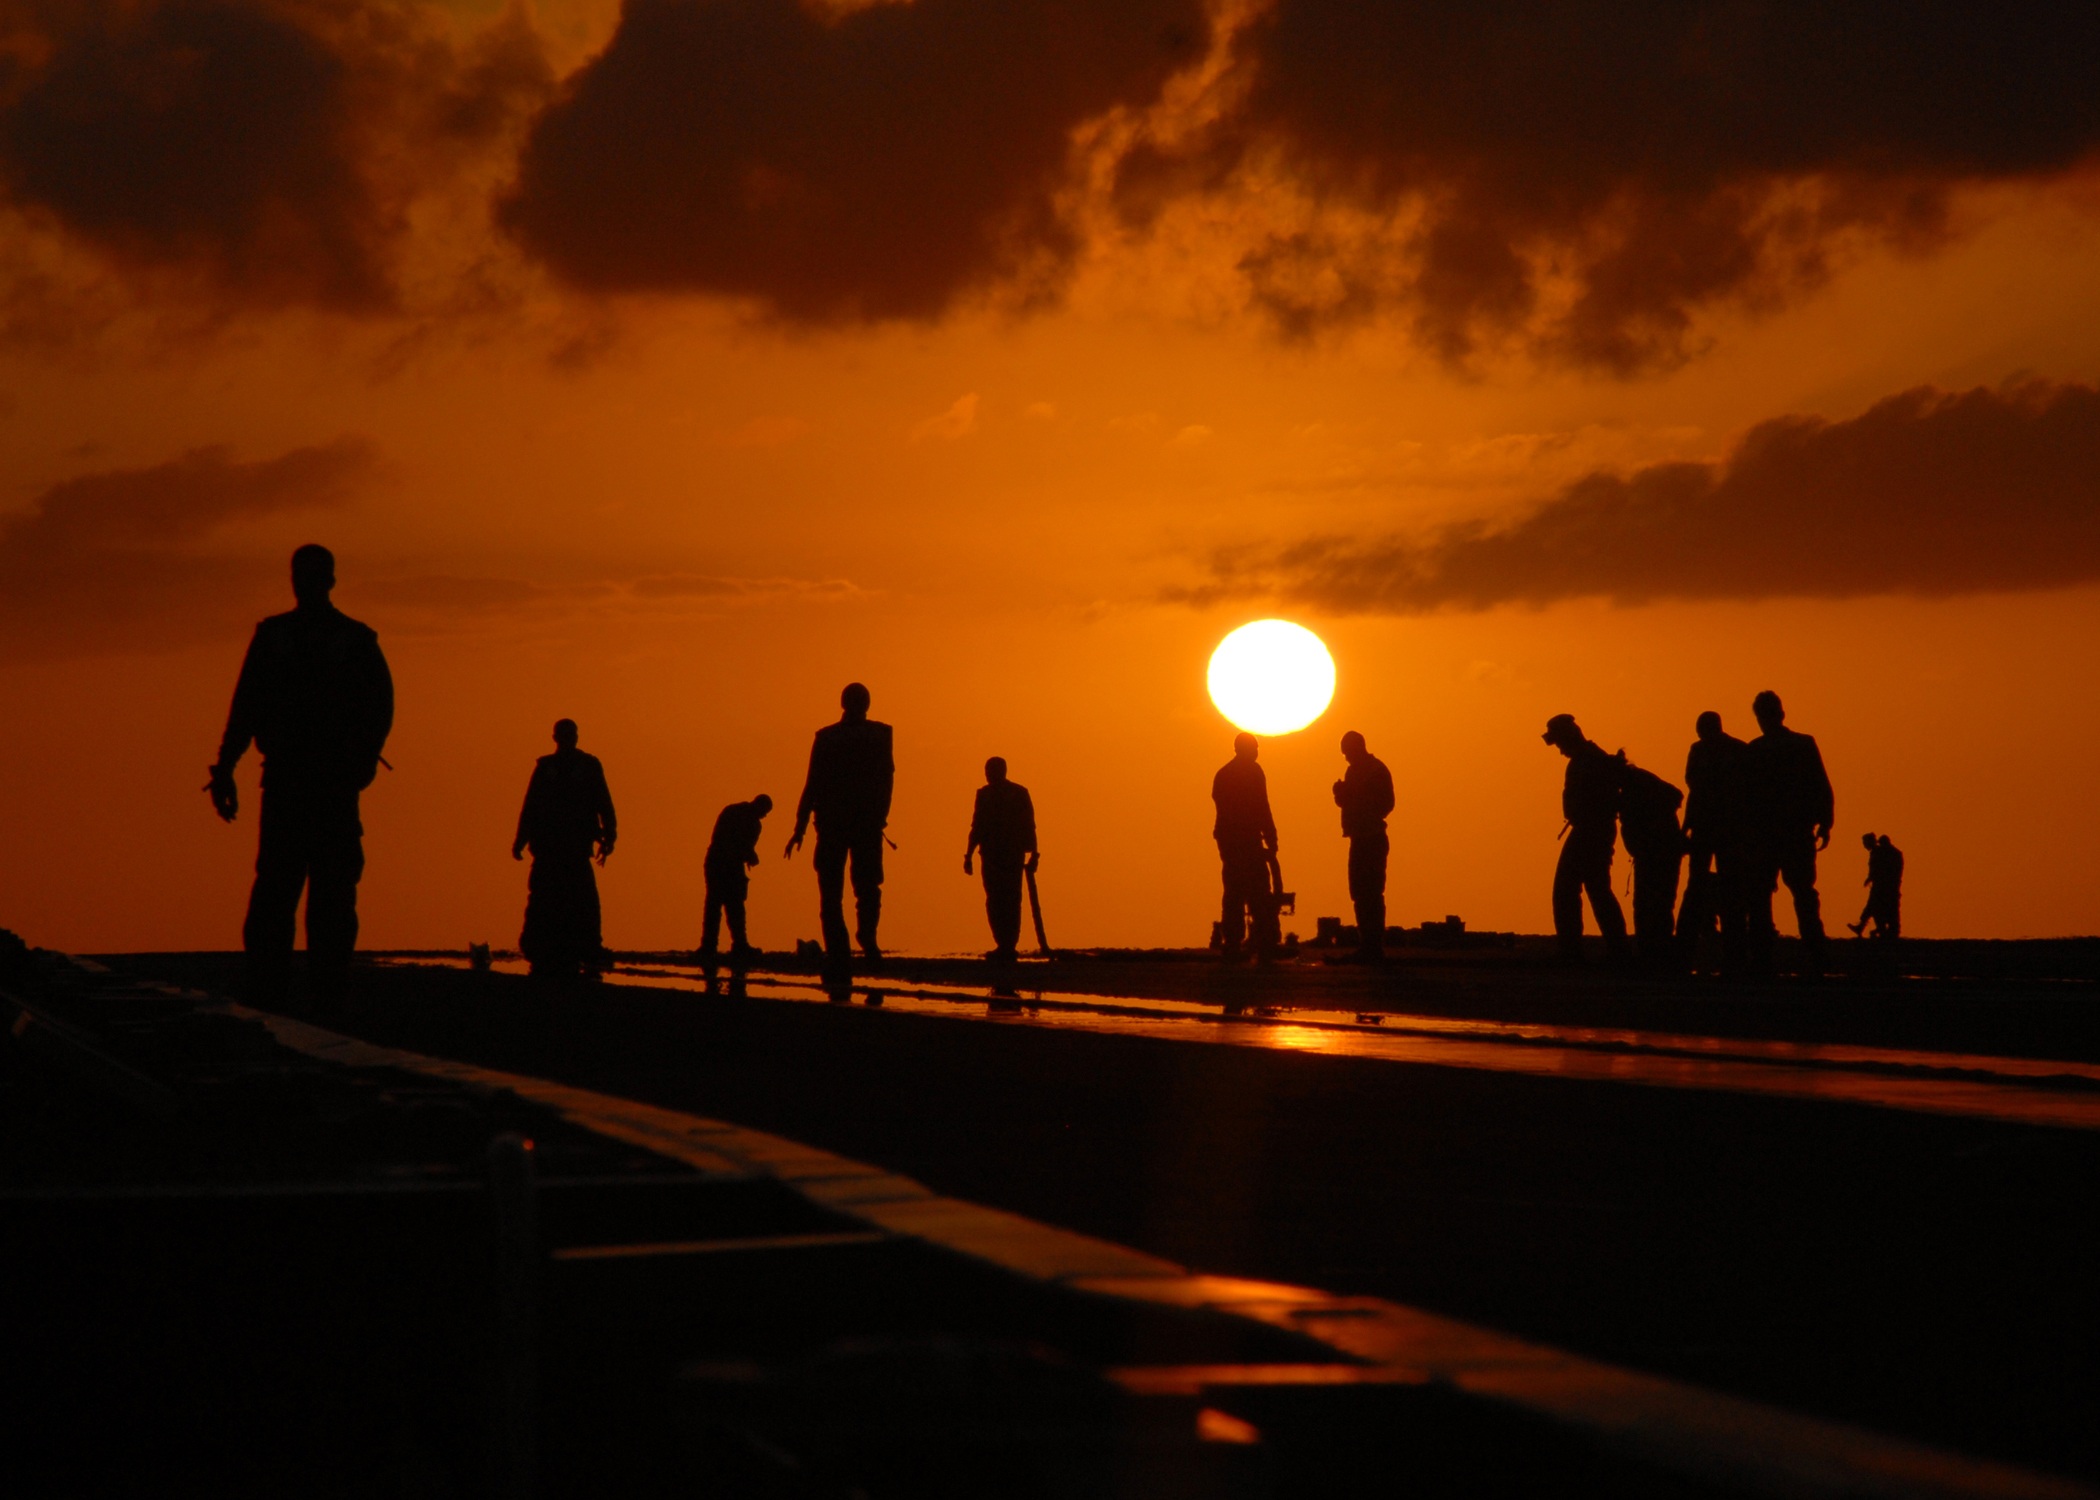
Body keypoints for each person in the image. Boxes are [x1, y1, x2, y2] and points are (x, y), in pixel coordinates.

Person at [207, 544, 393, 1010]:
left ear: (327, 580)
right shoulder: (284, 638)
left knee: (320, 893)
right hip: (297, 784)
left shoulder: (349, 640)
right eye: (302, 575)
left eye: (312, 576)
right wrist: (225, 767)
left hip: (323, 785)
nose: (306, 583)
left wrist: (361, 762)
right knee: (283, 891)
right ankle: (281, 992)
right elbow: (245, 707)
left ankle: (320, 992)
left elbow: (379, 708)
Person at [786, 683, 894, 987]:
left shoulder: (829, 738)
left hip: (839, 824)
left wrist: (800, 826)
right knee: (866, 887)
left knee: (836, 893)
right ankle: (865, 941)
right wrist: (879, 817)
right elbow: (887, 781)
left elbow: (812, 784)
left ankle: (842, 949)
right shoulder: (880, 735)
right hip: (860, 824)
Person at [512, 719, 617, 979]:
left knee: (583, 899)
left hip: (575, 847)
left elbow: (604, 803)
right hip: (549, 848)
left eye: (572, 734)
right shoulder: (546, 768)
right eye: (565, 734)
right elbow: (532, 806)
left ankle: (587, 945)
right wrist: (520, 839)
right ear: (556, 737)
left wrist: (609, 836)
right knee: (543, 899)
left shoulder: (589, 766)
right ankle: (540, 946)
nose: (569, 738)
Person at [1743, 690, 1834, 976]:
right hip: (1790, 831)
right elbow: (1820, 785)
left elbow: (1745, 796)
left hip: (1771, 833)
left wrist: (1824, 821)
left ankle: (1764, 956)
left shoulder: (1756, 750)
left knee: (1764, 895)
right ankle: (1814, 953)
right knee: (1800, 893)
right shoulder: (1801, 745)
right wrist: (1825, 821)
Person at [1541, 714, 1629, 963]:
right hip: (1593, 830)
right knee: (1596, 889)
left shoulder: (1588, 760)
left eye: (1559, 743)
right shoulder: (1591, 758)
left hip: (1590, 831)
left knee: (1568, 889)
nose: (1559, 750)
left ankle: (1573, 950)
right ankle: (1616, 948)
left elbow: (1591, 801)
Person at [1676, 711, 1750, 975]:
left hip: (1723, 829)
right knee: (1705, 887)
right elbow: (1694, 790)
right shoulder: (1704, 750)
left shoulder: (1734, 751)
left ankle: (1731, 955)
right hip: (1711, 828)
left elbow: (1699, 790)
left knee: (1725, 889)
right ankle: (1692, 951)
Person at [1212, 732, 1281, 961]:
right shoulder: (1252, 772)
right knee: (1257, 890)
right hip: (1243, 841)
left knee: (1234, 891)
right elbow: (1263, 805)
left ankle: (1234, 943)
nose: (1257, 751)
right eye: (1255, 747)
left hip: (1231, 841)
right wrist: (1271, 836)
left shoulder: (1223, 774)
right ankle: (1262, 942)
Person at [963, 758, 1039, 963]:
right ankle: (1002, 944)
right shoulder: (984, 795)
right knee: (995, 899)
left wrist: (1034, 854)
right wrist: (968, 855)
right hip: (990, 855)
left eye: (991, 771)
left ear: (1002, 771)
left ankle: (1009, 945)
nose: (988, 775)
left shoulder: (1018, 793)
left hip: (1011, 854)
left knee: (1011, 898)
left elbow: (1029, 824)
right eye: (987, 771)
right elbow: (977, 826)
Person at [1331, 730, 1395, 962]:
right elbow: (1350, 803)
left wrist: (1352, 795)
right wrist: (1341, 795)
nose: (1346, 758)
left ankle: (1373, 946)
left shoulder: (1376, 771)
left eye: (1348, 753)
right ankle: (1366, 944)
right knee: (1359, 892)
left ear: (1358, 748)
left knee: (1372, 892)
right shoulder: (1353, 771)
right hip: (1358, 838)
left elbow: (1386, 804)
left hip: (1372, 838)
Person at [1617, 756, 1686, 970]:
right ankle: (1655, 952)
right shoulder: (1636, 785)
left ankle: (1654, 954)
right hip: (1657, 851)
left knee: (1652, 903)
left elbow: (1675, 796)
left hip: (1657, 852)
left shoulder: (1637, 786)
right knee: (1657, 903)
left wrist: (1649, 833)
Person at [701, 794, 772, 977]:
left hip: (719, 862)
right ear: (759, 807)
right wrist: (749, 856)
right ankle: (730, 945)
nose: (764, 816)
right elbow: (737, 843)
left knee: (720, 906)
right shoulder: (749, 821)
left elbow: (729, 841)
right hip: (723, 863)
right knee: (727, 906)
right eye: (764, 812)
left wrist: (747, 854)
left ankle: (715, 946)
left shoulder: (732, 811)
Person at [1849, 833, 1904, 940]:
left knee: (1877, 907)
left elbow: (1879, 869)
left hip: (1883, 887)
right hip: (1887, 886)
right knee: (1875, 907)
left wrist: (1871, 878)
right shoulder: (1890, 853)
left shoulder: (1881, 853)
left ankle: (1882, 929)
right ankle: (1872, 928)